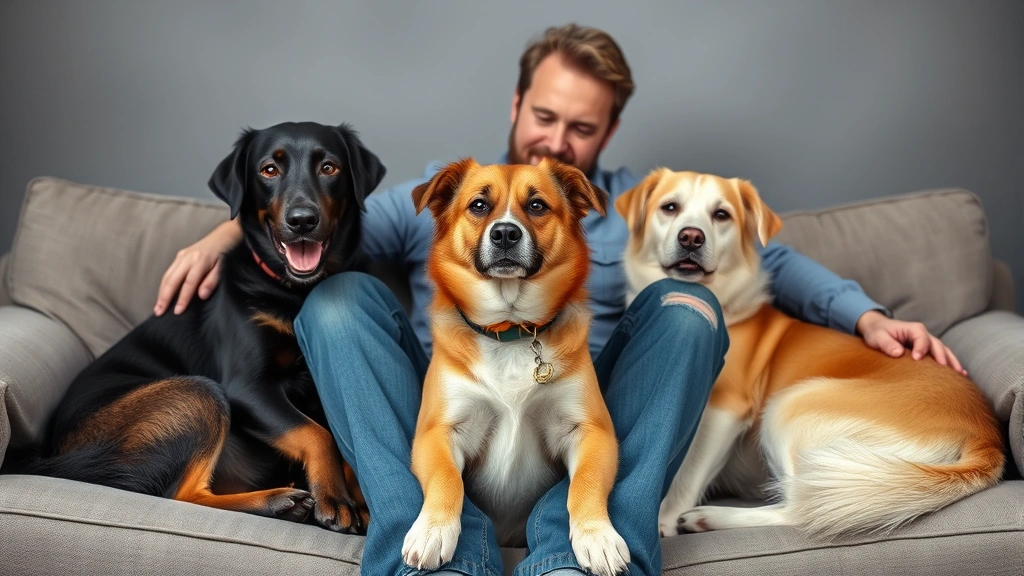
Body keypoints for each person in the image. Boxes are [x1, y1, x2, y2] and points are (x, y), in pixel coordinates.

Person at [154, 24, 964, 576]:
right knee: (334, 304)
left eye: (580, 127)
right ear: (517, 107)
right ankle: (424, 548)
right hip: (449, 397)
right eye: (544, 116)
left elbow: (773, 258)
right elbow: (324, 223)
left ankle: (583, 555)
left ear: (605, 135)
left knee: (690, 311)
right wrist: (224, 233)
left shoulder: (638, 203)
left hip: (581, 403)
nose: (555, 139)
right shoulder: (455, 192)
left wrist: (865, 315)